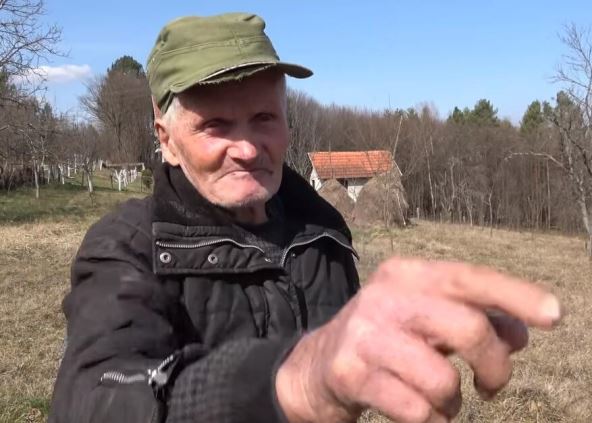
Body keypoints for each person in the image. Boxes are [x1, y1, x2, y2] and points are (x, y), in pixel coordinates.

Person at [49, 12, 561, 423]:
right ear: (167, 140)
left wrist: (404, 340)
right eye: (216, 126)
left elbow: (347, 356)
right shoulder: (127, 246)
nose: (247, 148)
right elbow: (92, 397)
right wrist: (290, 382)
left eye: (264, 118)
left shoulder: (322, 235)